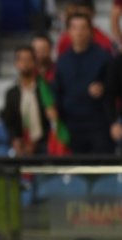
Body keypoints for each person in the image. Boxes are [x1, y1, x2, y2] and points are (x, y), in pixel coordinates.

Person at [54, 13, 113, 154]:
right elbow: (57, 93)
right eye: (74, 28)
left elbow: (114, 87)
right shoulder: (62, 61)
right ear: (68, 32)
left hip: (98, 125)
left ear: (90, 30)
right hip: (71, 125)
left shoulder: (104, 57)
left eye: (83, 28)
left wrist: (103, 88)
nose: (79, 32)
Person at [1, 46, 54, 156]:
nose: (25, 63)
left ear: (35, 63)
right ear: (16, 64)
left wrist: (36, 142)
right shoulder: (11, 93)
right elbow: (9, 122)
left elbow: (52, 120)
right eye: (21, 60)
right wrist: (15, 141)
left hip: (44, 144)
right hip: (20, 145)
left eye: (28, 60)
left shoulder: (45, 90)